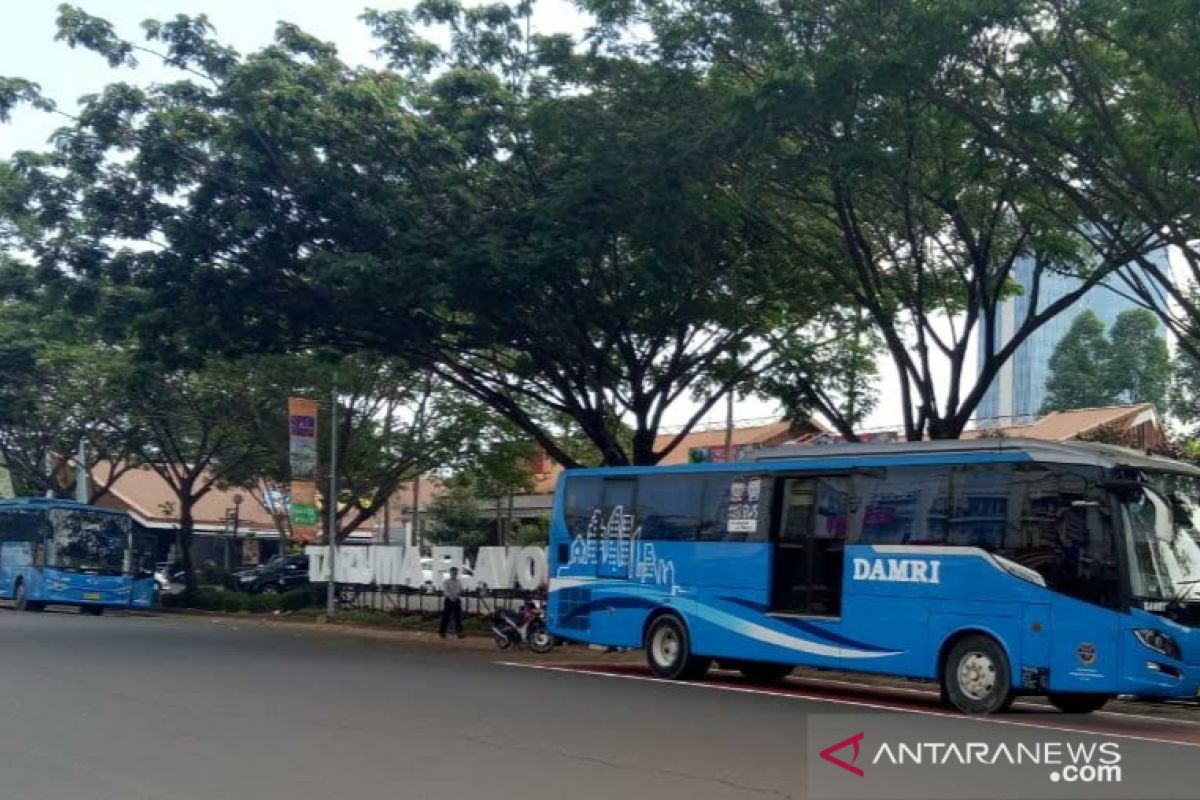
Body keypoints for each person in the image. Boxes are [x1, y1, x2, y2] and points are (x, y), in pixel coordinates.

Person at [439, 566, 465, 639]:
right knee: (446, 617)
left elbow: (461, 590)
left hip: (457, 600)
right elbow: (445, 591)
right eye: (453, 572)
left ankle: (460, 632)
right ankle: (442, 632)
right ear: (450, 573)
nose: (454, 574)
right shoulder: (446, 581)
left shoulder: (459, 581)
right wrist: (450, 597)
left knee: (458, 617)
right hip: (449, 600)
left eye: (455, 573)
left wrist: (460, 593)